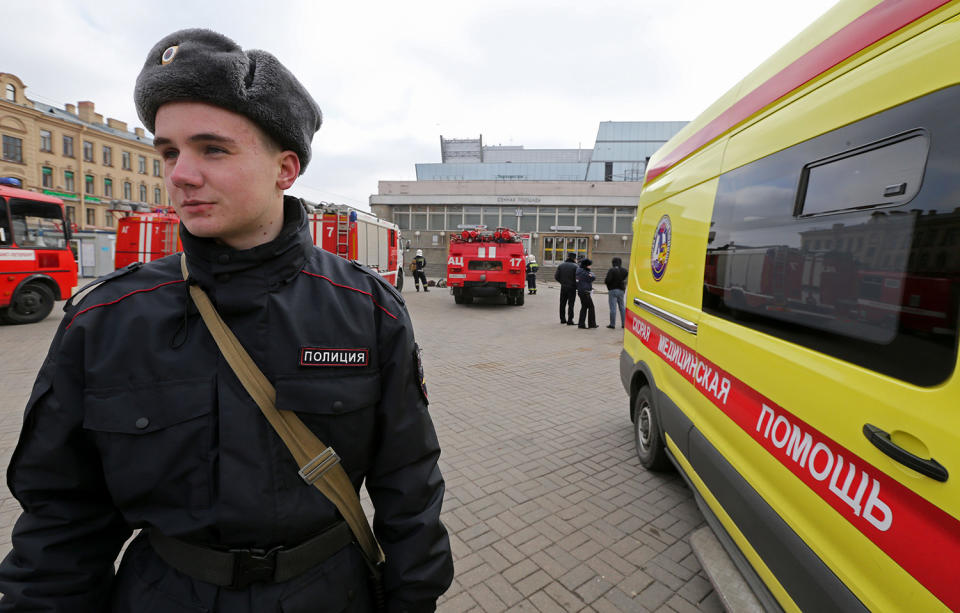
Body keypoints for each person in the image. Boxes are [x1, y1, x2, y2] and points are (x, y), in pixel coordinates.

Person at [0, 29, 453, 613]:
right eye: (169, 151)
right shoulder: (107, 317)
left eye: (212, 149)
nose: (181, 174)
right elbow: (61, 518)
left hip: (328, 593)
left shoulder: (366, 310)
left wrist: (413, 598)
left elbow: (408, 484)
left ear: (285, 169)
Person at [554, 252, 578, 325]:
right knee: (571, 304)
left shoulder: (561, 265)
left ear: (567, 257)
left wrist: (562, 282)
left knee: (562, 303)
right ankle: (570, 320)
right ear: (574, 258)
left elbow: (556, 276)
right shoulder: (576, 266)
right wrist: (575, 285)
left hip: (563, 287)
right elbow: (577, 277)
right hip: (572, 288)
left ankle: (562, 319)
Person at [604, 256, 628, 328]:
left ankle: (612, 324)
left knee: (613, 308)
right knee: (622, 307)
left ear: (613, 263)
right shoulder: (625, 270)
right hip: (621, 290)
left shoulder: (612, 270)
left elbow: (607, 280)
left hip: (613, 290)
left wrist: (609, 286)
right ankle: (624, 324)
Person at [576, 258, 598, 329]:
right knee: (591, 307)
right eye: (589, 265)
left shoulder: (580, 270)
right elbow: (593, 278)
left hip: (582, 291)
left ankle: (581, 324)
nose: (590, 267)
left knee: (584, 307)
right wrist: (591, 274)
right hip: (585, 292)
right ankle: (591, 324)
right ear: (586, 266)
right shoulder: (585, 272)